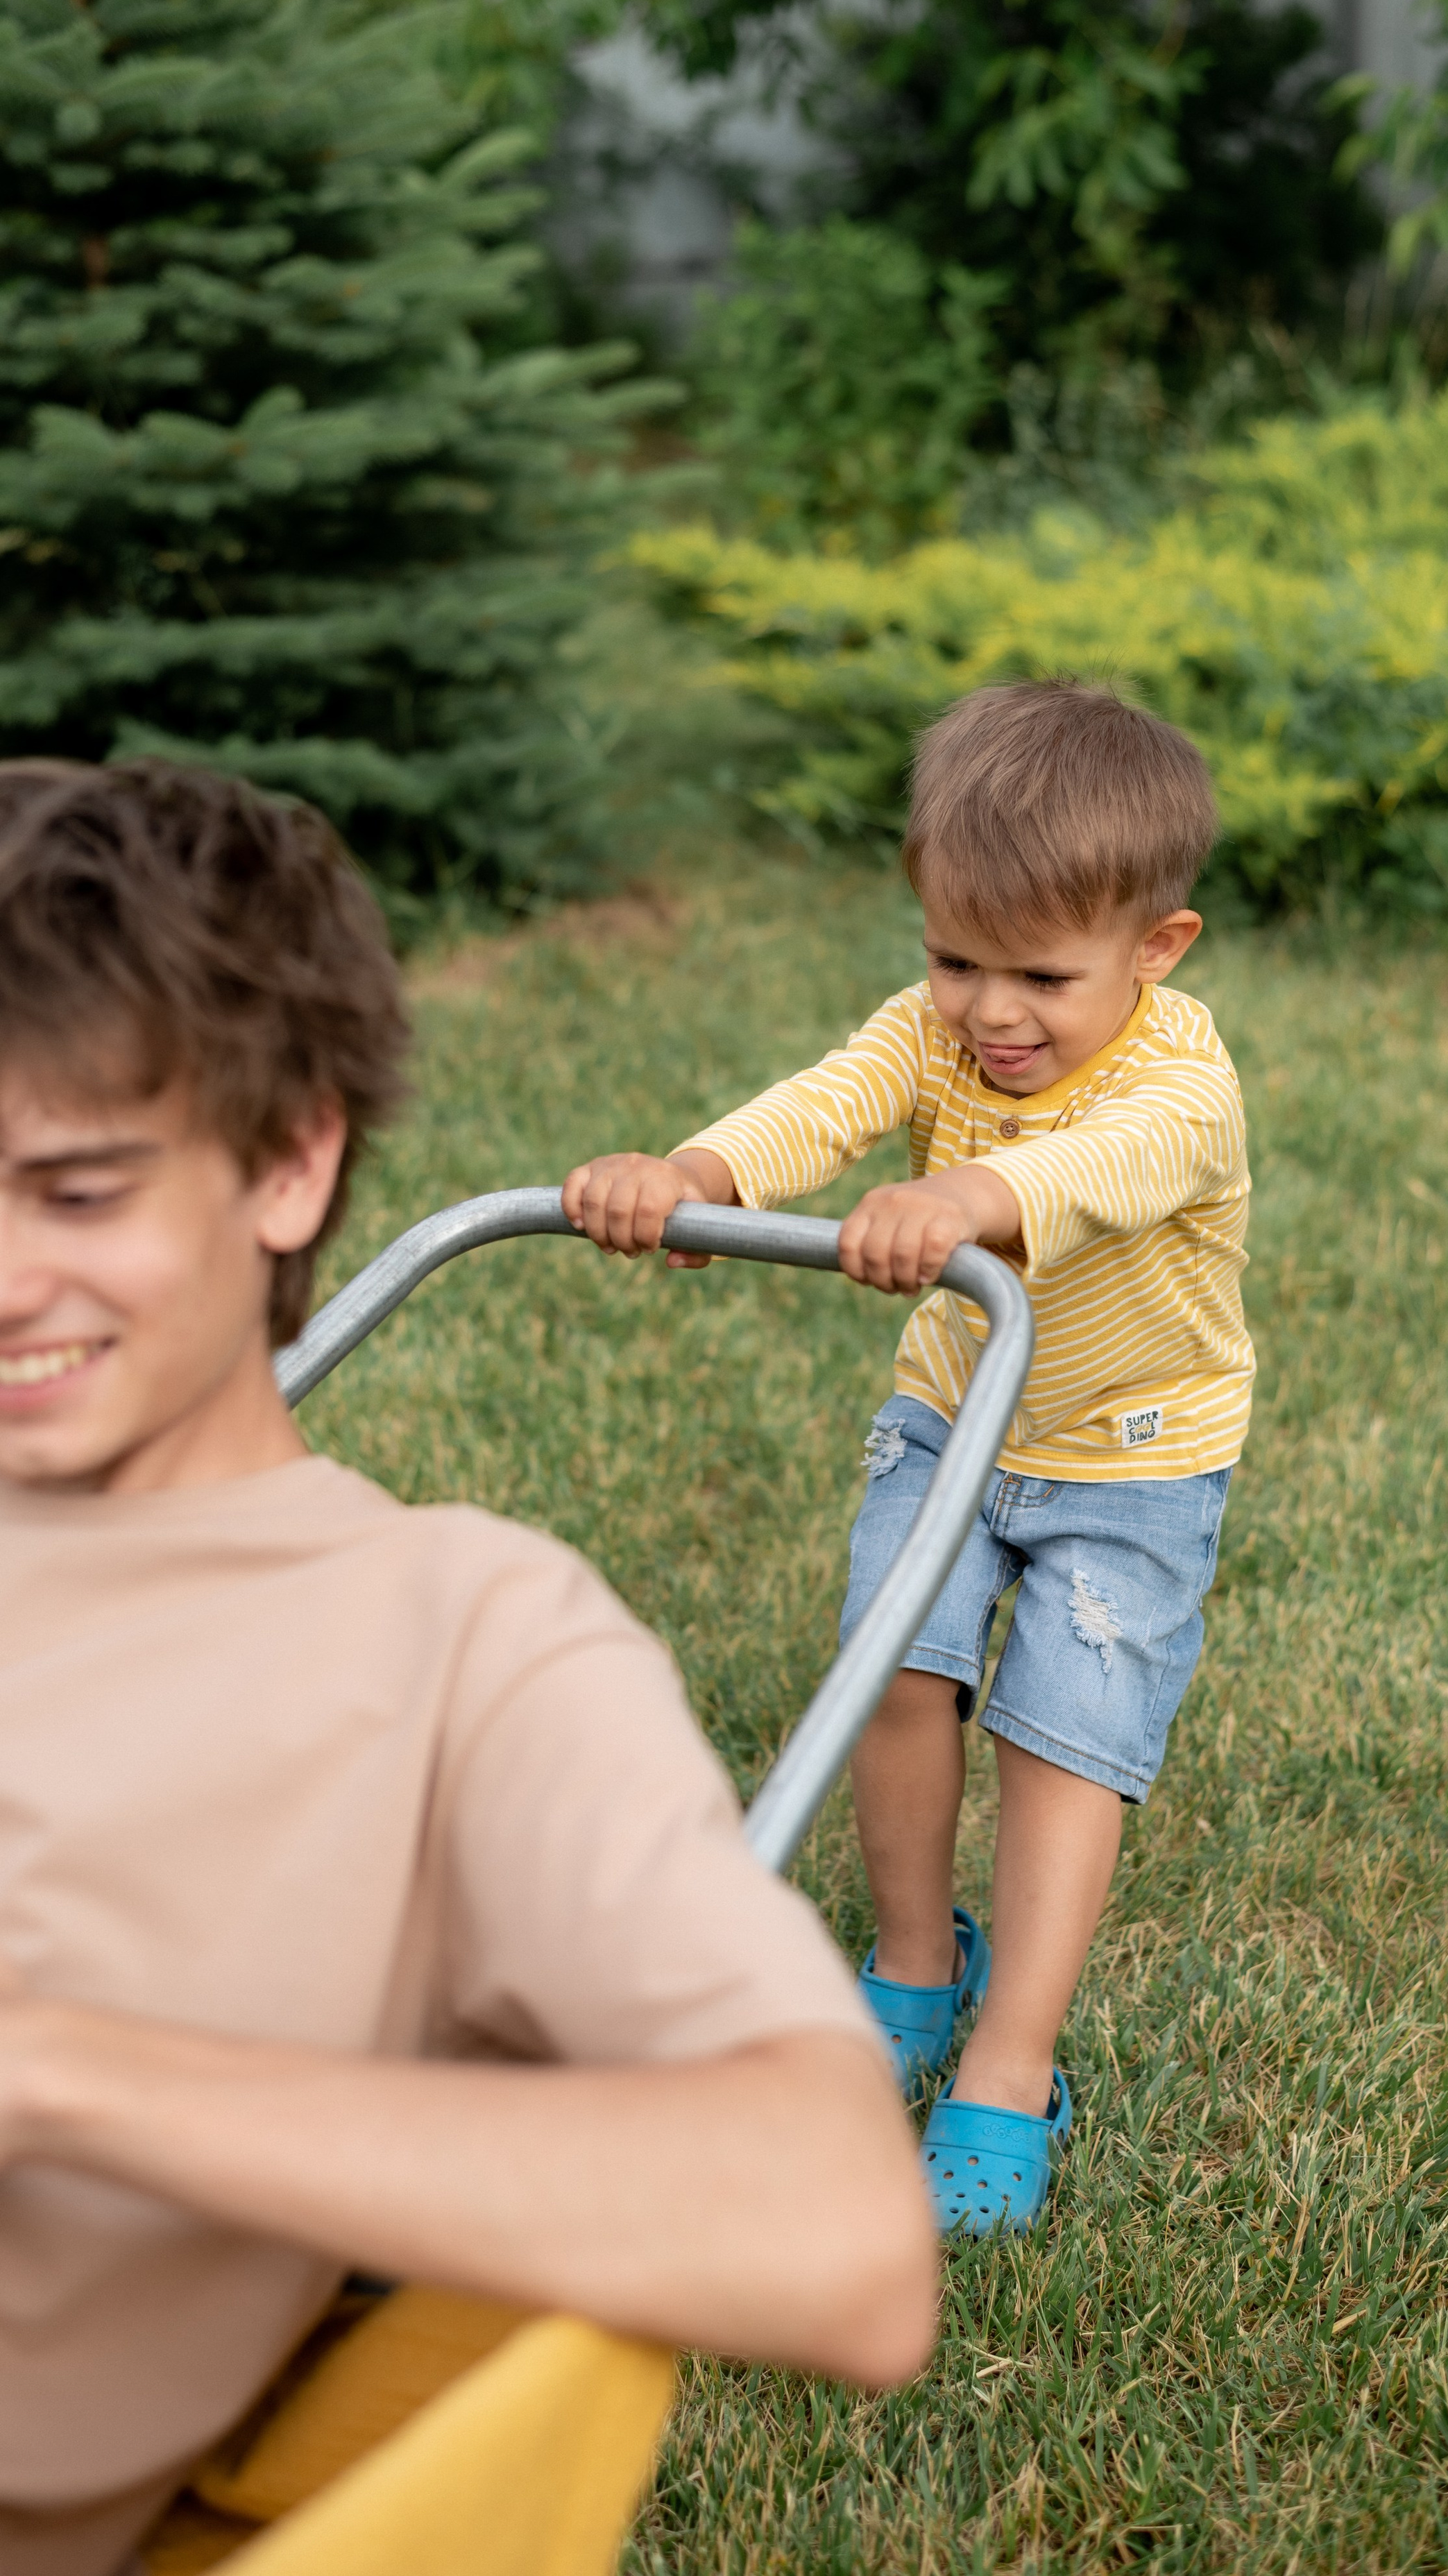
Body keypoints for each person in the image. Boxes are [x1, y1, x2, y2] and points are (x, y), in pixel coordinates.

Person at [0, 758, 936, 2576]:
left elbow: (836, 2232)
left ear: (290, 1160)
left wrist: (47, 2067)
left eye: (77, 1189)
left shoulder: (454, 1644)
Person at [563, 677, 1254, 2240]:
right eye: (952, 959)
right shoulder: (930, 1030)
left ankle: (1007, 2071)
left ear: (1156, 950)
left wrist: (966, 1201)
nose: (988, 1011)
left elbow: (1100, 1163)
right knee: (893, 1671)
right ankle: (912, 1968)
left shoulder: (1180, 1085)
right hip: (954, 1412)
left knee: (1063, 1741)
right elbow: (834, 1100)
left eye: (1038, 975)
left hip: (1131, 1462)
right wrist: (695, 1170)